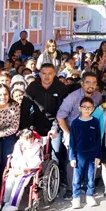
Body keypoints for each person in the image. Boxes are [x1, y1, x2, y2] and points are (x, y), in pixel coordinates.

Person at [20, 64, 69, 197]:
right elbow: (25, 110)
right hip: (37, 123)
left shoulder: (61, 88)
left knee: (57, 151)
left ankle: (61, 181)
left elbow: (62, 111)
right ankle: (35, 179)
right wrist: (25, 129)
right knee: (34, 152)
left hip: (56, 122)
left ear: (55, 74)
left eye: (50, 73)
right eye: (43, 73)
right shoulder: (33, 87)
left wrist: (55, 128)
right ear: (39, 73)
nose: (46, 76)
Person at [69, 97, 102, 208]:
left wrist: (98, 155)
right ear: (80, 108)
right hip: (79, 154)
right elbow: (72, 141)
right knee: (77, 177)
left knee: (90, 176)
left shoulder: (95, 121)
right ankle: (76, 197)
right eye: (84, 107)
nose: (87, 109)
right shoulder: (75, 123)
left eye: (89, 107)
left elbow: (98, 139)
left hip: (92, 154)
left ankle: (89, 195)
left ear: (93, 109)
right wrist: (72, 157)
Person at [0, 129, 43, 211]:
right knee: (10, 179)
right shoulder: (19, 144)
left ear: (30, 139)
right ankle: (6, 202)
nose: (21, 141)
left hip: (29, 170)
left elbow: (37, 161)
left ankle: (13, 205)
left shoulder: (37, 146)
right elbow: (15, 156)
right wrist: (15, 168)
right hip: (17, 168)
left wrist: (23, 169)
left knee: (20, 181)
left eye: (24, 140)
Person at [0, 84, 19, 196]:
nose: (3, 97)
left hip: (8, 133)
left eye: (5, 94)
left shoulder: (14, 106)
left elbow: (14, 127)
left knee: (6, 158)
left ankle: (1, 184)